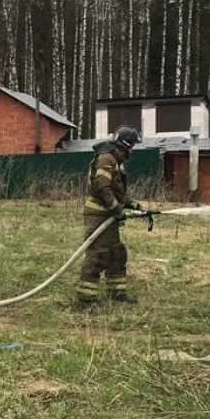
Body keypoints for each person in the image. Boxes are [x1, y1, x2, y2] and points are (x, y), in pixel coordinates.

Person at [75, 126, 144, 306]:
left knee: (117, 253)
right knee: (98, 255)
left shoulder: (116, 159)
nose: (132, 150)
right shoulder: (107, 158)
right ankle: (86, 300)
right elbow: (101, 186)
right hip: (98, 214)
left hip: (108, 215)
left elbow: (115, 188)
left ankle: (117, 294)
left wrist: (131, 203)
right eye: (132, 146)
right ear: (125, 144)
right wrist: (116, 208)